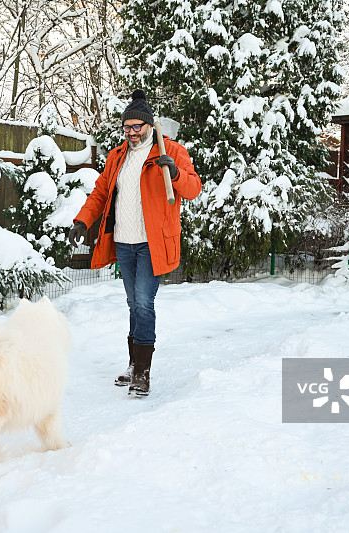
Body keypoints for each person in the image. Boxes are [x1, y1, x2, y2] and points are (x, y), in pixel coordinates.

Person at [68, 89, 201, 396]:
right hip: (124, 243)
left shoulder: (170, 152)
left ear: (149, 126)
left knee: (144, 302)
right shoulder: (117, 157)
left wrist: (177, 172)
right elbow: (101, 193)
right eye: (126, 127)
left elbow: (193, 188)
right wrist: (82, 221)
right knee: (133, 303)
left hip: (152, 244)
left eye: (136, 127)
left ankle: (143, 372)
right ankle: (132, 365)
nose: (130, 132)